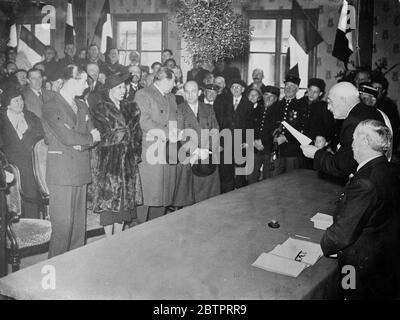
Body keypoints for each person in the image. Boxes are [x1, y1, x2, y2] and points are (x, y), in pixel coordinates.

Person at [321, 120, 400, 299]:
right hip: (384, 259)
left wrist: (324, 243)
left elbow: (339, 237)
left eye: (354, 139)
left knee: (347, 294)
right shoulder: (389, 168)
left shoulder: (365, 182)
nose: (350, 144)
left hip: (359, 264)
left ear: (365, 142)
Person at [42, 65, 100, 258]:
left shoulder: (82, 105)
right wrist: (85, 139)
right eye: (83, 81)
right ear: (71, 80)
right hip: (62, 173)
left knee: (78, 230)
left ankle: (73, 272)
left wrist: (81, 142)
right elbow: (67, 137)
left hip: (80, 170)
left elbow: (95, 134)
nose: (86, 86)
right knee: (63, 229)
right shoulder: (51, 105)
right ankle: (53, 275)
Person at [89, 73, 143, 236]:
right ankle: (108, 238)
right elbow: (102, 136)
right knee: (109, 203)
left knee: (124, 205)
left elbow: (137, 135)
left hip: (127, 161)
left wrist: (135, 155)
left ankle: (118, 238)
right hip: (108, 162)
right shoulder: (100, 109)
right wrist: (123, 134)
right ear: (110, 90)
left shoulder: (131, 107)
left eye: (124, 87)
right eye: (119, 87)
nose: (123, 90)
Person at [301, 81, 385, 180]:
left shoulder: (353, 121)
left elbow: (340, 167)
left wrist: (315, 154)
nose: (328, 107)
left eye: (330, 102)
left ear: (343, 100)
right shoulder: (368, 110)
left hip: (364, 181)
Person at [134, 67, 180, 223]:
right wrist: (168, 133)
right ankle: (140, 230)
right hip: (150, 152)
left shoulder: (171, 97)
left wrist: (178, 132)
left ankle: (156, 229)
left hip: (168, 152)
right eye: (174, 80)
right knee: (148, 195)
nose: (175, 84)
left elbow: (175, 119)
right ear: (165, 80)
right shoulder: (143, 94)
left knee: (164, 195)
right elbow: (143, 121)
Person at [0, 86, 45, 219]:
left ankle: (34, 220)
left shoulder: (30, 116)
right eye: (16, 101)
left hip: (33, 159)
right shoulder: (2, 120)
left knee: (32, 186)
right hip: (11, 163)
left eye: (21, 100)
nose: (20, 103)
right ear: (8, 104)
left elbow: (41, 135)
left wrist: (27, 135)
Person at [173, 81, 220, 206]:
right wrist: (196, 152)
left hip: (207, 158)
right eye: (187, 92)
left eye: (193, 91)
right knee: (189, 198)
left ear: (199, 92)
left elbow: (215, 131)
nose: (190, 95)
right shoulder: (179, 109)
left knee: (208, 198)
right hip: (189, 157)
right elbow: (180, 133)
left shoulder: (208, 109)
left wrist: (207, 151)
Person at [217, 79, 253, 192]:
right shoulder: (224, 102)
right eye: (233, 87)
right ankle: (226, 197)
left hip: (240, 143)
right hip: (225, 142)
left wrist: (248, 141)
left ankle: (240, 199)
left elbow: (250, 124)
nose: (236, 89)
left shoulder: (249, 105)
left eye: (238, 87)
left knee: (240, 173)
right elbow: (219, 122)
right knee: (226, 173)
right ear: (230, 89)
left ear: (243, 89)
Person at [269, 73, 304, 175]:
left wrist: (286, 137)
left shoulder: (301, 106)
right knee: (274, 180)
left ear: (297, 89)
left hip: (292, 150)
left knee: (291, 181)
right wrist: (274, 136)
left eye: (292, 86)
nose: (288, 89)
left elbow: (301, 127)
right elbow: (270, 124)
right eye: (286, 86)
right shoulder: (276, 105)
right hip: (276, 149)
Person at [299, 78, 336, 169]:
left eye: (315, 92)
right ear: (307, 90)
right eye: (310, 90)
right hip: (299, 145)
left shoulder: (324, 107)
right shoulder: (300, 103)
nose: (311, 94)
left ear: (320, 93)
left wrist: (323, 138)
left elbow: (329, 127)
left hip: (315, 146)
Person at [247, 86, 280, 184]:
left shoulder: (278, 112)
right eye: (266, 95)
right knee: (251, 177)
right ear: (262, 97)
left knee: (268, 179)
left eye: (272, 96)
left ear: (276, 99)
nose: (268, 98)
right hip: (254, 148)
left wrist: (263, 142)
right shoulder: (256, 110)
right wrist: (254, 140)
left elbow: (276, 130)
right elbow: (249, 126)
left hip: (269, 150)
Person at [371, 72, 400, 156]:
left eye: (378, 88)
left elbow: (393, 128)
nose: (374, 91)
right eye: (373, 87)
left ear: (383, 91)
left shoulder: (389, 105)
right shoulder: (366, 102)